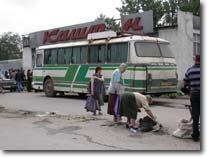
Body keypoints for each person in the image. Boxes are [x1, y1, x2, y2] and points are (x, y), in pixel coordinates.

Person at [183, 54, 200, 142]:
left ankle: (195, 135)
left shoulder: (190, 70)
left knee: (195, 115)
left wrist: (189, 89)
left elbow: (185, 83)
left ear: (195, 60)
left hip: (194, 94)